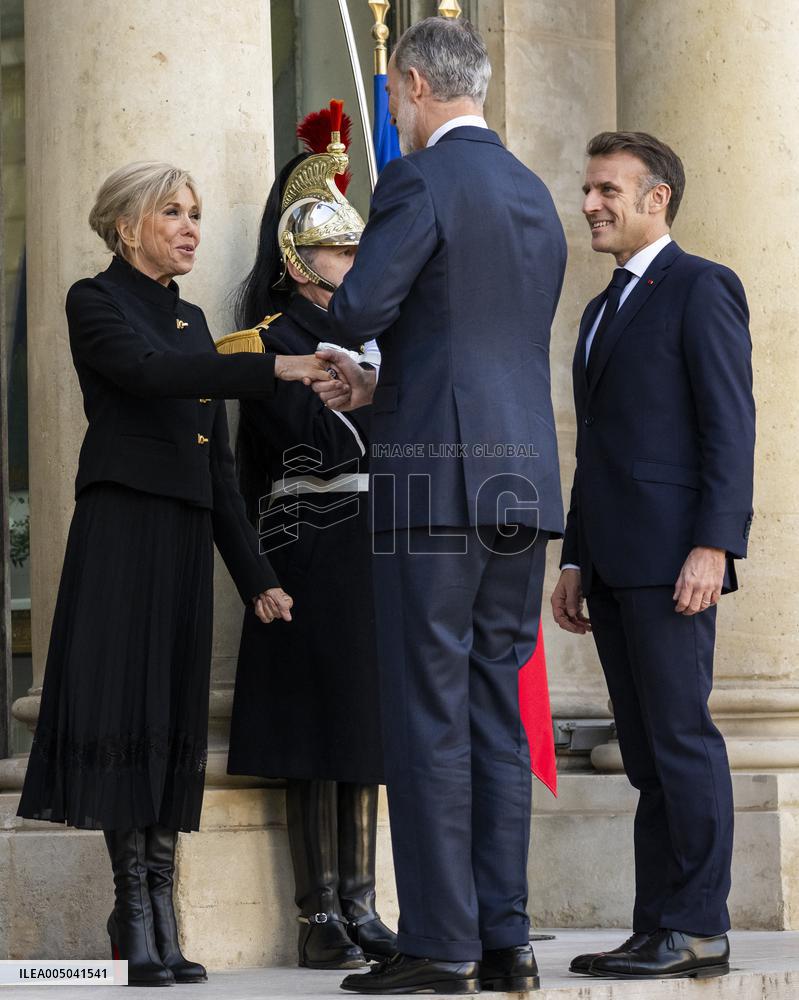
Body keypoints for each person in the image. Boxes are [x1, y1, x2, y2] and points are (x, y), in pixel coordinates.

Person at [16, 161, 332, 987]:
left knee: (167, 721)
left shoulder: (194, 321)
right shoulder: (96, 301)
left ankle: (156, 909)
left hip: (188, 538)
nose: (191, 226)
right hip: (122, 533)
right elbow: (148, 376)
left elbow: (219, 472)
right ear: (126, 227)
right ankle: (136, 914)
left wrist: (256, 574)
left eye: (194, 213)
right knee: (125, 710)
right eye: (173, 213)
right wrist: (273, 366)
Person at [312, 18, 567, 995]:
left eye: (389, 95)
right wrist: (394, 387)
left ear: (415, 85)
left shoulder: (418, 180)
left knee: (424, 709)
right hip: (519, 475)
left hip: (432, 477)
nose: (391, 110)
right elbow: (479, 333)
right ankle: (505, 940)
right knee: (497, 708)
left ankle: (441, 943)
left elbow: (364, 308)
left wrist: (345, 329)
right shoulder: (531, 189)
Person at [550, 131, 755, 981]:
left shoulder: (701, 286)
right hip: (613, 562)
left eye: (606, 190)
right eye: (588, 189)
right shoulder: (600, 309)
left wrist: (712, 544)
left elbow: (728, 426)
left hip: (676, 560)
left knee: (680, 740)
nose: (590, 204)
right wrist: (573, 558)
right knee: (642, 750)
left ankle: (699, 926)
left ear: (655, 198)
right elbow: (594, 446)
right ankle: (654, 925)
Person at [220, 104, 396, 971]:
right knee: (311, 731)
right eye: (340, 251)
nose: (353, 264)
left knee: (363, 726)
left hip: (371, 545)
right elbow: (256, 467)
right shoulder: (261, 345)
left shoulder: (377, 341)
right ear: (298, 259)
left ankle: (363, 903)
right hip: (303, 541)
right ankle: (316, 909)